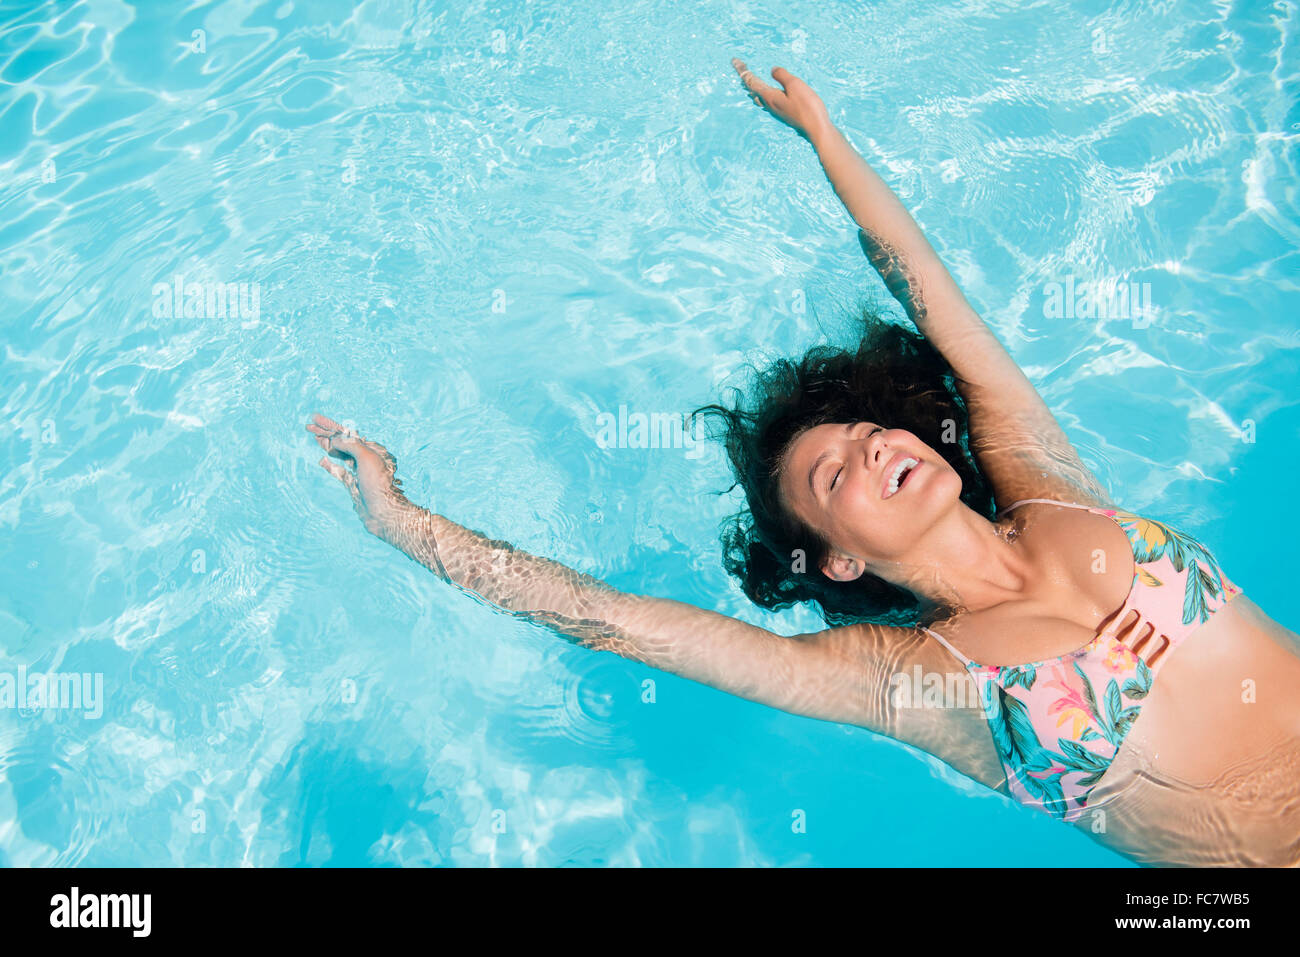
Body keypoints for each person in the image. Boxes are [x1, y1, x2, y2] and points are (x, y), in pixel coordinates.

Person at [306, 61, 1300, 867]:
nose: (874, 449)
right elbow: (616, 624)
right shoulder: (906, 677)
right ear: (836, 560)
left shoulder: (1050, 490)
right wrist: (399, 520)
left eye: (873, 437)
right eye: (836, 479)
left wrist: (827, 142)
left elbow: (933, 298)